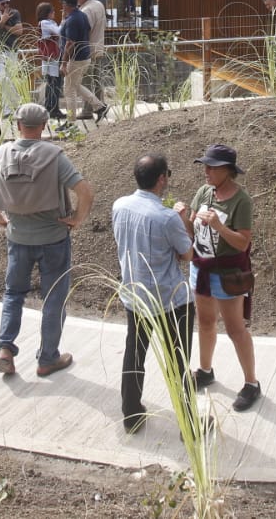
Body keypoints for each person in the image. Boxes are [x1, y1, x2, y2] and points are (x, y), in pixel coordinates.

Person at [0, 102, 94, 377]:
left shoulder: (0, 154)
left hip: (18, 237)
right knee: (53, 298)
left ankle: (5, 350)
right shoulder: (54, 156)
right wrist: (77, 218)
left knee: (13, 293)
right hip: (53, 238)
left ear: (18, 126)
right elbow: (85, 191)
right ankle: (48, 358)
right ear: (45, 125)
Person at [112, 152, 195, 433]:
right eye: (167, 175)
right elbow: (187, 255)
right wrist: (184, 219)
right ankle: (189, 426)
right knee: (178, 364)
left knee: (134, 356)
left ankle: (131, 416)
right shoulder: (167, 218)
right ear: (162, 179)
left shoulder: (120, 206)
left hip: (135, 297)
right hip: (170, 301)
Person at [180, 144, 261, 412]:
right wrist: (183, 218)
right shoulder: (204, 192)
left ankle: (251, 383)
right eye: (205, 165)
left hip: (227, 273)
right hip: (201, 268)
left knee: (236, 329)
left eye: (212, 167)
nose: (206, 171)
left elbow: (242, 243)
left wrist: (219, 226)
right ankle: (205, 370)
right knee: (204, 322)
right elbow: (191, 230)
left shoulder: (242, 201)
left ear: (228, 171)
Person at [60, 0, 107, 122]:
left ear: (67, 5)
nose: (62, 6)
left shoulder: (72, 20)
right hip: (85, 57)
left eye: (63, 3)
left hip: (75, 58)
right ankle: (99, 106)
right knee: (75, 85)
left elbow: (70, 43)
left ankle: (70, 122)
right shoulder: (81, 15)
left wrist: (64, 63)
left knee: (69, 90)